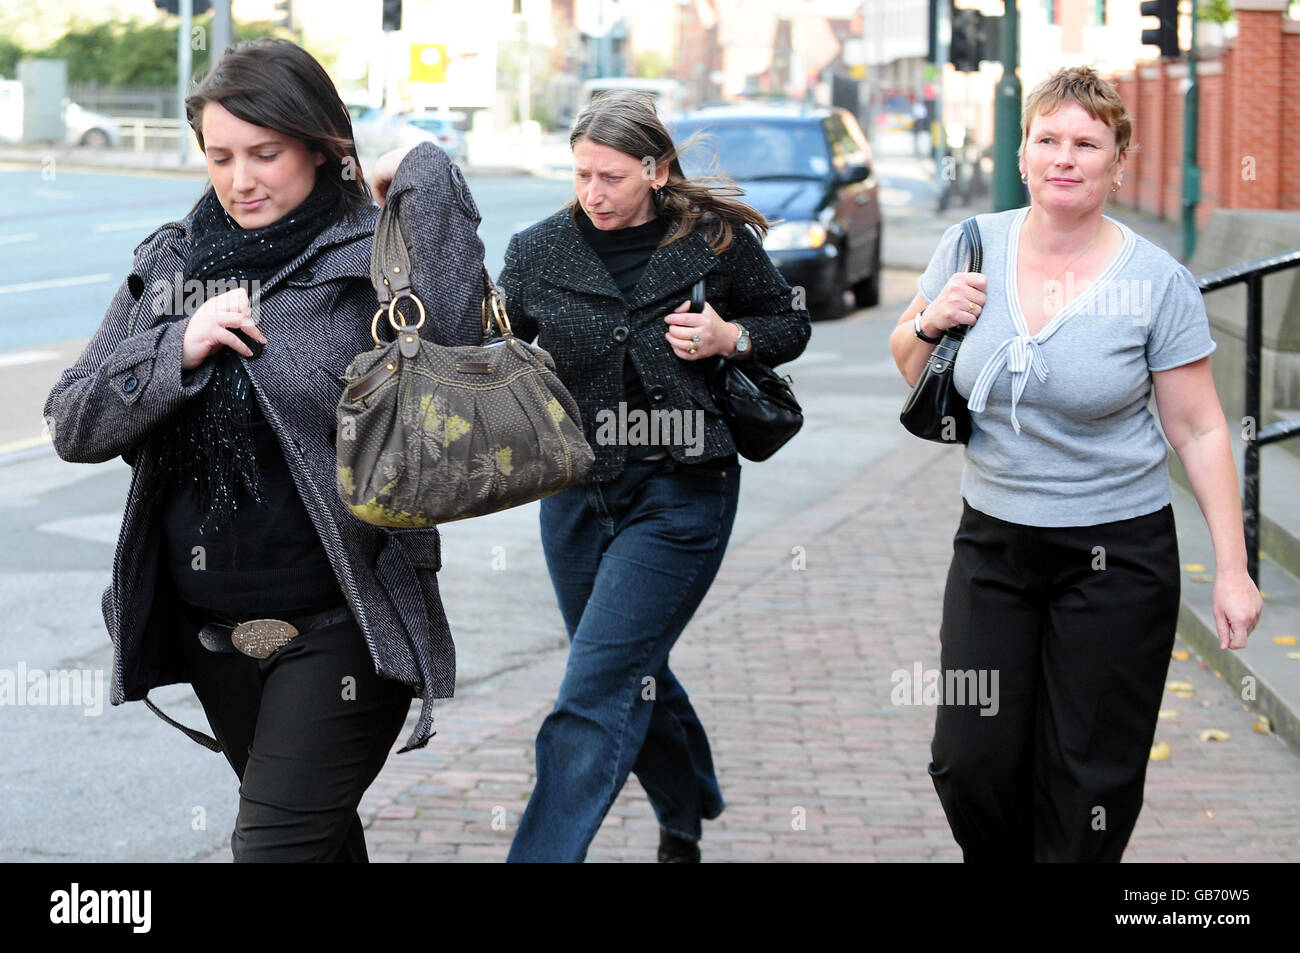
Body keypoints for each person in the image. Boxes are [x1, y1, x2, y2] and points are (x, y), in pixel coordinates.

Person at [43, 38, 486, 862]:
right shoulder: (173, 262)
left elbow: (456, 350)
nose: (240, 179)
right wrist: (176, 346)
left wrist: (425, 175)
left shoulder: (370, 257)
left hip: (345, 625)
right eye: (220, 156)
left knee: (272, 850)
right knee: (313, 845)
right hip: (213, 635)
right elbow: (73, 420)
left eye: (265, 154)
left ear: (322, 145)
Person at [888, 66, 1262, 862]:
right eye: (1048, 139)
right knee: (969, 762)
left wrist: (1231, 567)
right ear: (1023, 154)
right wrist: (932, 320)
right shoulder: (972, 243)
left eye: (1087, 143)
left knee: (1088, 781)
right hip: (993, 545)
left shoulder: (1157, 282)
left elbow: (1197, 429)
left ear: (1117, 162)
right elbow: (907, 360)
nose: (1066, 156)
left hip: (1117, 559)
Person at [493, 91, 811, 862]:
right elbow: (490, 348)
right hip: (574, 494)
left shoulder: (716, 243)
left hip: (681, 488)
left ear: (656, 169)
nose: (593, 193)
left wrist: (728, 335)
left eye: (610, 177)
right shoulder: (538, 252)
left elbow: (788, 323)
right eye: (581, 176)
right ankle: (685, 807)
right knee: (629, 664)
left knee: (594, 687)